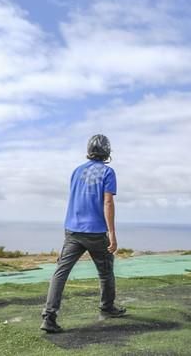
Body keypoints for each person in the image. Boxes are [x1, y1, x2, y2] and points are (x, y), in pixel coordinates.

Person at [40, 134, 126, 333]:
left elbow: (77, 199)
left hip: (72, 230)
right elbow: (107, 202)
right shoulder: (108, 172)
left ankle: (49, 317)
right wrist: (112, 233)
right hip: (96, 233)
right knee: (105, 272)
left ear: (89, 150)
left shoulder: (76, 171)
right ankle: (107, 307)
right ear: (107, 152)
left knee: (61, 273)